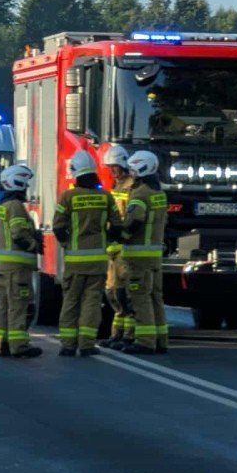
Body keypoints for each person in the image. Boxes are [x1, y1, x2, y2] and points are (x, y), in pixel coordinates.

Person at [51, 150, 117, 357]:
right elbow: (116, 226)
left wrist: (66, 244)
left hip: (74, 260)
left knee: (71, 302)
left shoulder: (68, 197)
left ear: (75, 172)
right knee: (92, 303)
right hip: (98, 261)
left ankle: (68, 345)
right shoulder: (105, 196)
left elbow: (58, 227)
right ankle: (87, 344)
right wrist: (105, 241)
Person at [120, 150, 169, 355]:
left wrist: (118, 233)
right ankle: (160, 340)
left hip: (138, 257)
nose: (130, 174)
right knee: (155, 297)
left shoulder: (140, 194)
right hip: (155, 256)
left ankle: (145, 341)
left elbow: (134, 222)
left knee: (140, 298)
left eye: (132, 170)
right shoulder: (160, 194)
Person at [0, 164, 43, 359]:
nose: (26, 188)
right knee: (19, 305)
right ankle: (19, 345)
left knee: (4, 306)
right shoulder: (15, 207)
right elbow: (18, 233)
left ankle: (2, 343)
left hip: (4, 266)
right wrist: (35, 244)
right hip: (18, 267)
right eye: (25, 184)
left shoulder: (1, 206)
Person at [98, 145, 136, 349]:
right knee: (111, 292)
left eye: (114, 167)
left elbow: (129, 218)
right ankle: (116, 334)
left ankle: (128, 335)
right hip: (113, 249)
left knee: (124, 293)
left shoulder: (131, 187)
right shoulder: (117, 186)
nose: (112, 170)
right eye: (110, 167)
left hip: (125, 249)